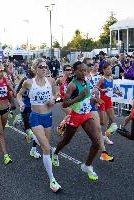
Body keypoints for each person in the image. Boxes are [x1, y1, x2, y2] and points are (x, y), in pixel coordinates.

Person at [52, 61, 101, 181]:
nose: (83, 72)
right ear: (75, 71)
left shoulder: (87, 81)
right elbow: (64, 103)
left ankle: (87, 166)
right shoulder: (72, 85)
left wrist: (95, 99)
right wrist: (79, 97)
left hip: (86, 115)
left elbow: (87, 97)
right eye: (80, 70)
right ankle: (55, 152)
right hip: (75, 116)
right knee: (66, 141)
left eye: (85, 70)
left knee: (97, 142)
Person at [17, 59, 61, 193]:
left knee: (44, 146)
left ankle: (32, 138)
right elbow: (19, 94)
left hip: (48, 117)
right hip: (35, 117)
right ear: (35, 69)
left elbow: (56, 94)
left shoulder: (51, 81)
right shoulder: (29, 82)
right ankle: (52, 180)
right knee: (47, 148)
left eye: (45, 67)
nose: (44, 69)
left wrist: (53, 100)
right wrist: (21, 103)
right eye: (41, 67)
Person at [15, 68, 41, 159]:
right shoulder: (25, 80)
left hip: (37, 107)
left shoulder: (41, 79)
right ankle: (22, 122)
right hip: (26, 105)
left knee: (37, 129)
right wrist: (20, 103)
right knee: (28, 127)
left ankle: (33, 150)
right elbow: (17, 92)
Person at [94, 63, 122, 145]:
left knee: (113, 121)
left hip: (109, 101)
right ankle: (94, 130)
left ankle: (106, 137)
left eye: (110, 69)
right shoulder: (102, 79)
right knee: (102, 122)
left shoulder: (111, 77)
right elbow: (96, 88)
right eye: (108, 69)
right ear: (104, 70)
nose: (110, 70)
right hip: (102, 102)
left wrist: (118, 92)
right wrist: (98, 98)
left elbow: (112, 88)